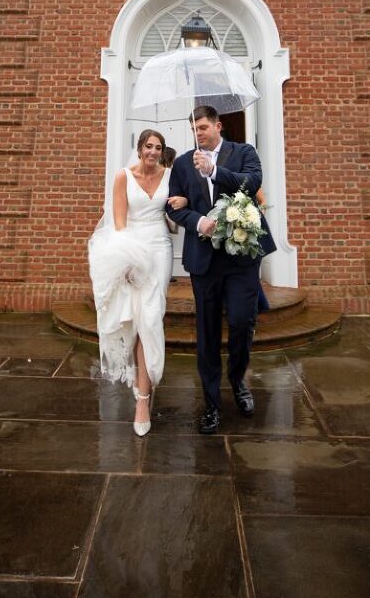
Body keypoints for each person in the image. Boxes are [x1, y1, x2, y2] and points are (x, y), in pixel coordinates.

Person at [167, 105, 276, 434]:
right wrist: (197, 219)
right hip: (203, 261)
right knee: (208, 332)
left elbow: (250, 184)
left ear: (218, 126)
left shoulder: (243, 152)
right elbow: (172, 203)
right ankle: (212, 402)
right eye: (194, 128)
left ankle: (238, 380)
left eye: (203, 127)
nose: (198, 133)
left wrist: (215, 171)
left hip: (241, 258)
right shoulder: (185, 162)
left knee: (243, 322)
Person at [88, 129, 186, 436]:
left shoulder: (171, 176)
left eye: (158, 147)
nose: (153, 151)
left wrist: (182, 199)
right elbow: (118, 224)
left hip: (159, 249)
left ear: (162, 151)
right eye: (148, 146)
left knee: (151, 317)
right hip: (131, 249)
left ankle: (143, 397)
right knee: (133, 319)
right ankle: (141, 387)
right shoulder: (123, 177)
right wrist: (125, 262)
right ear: (139, 148)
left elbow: (179, 207)